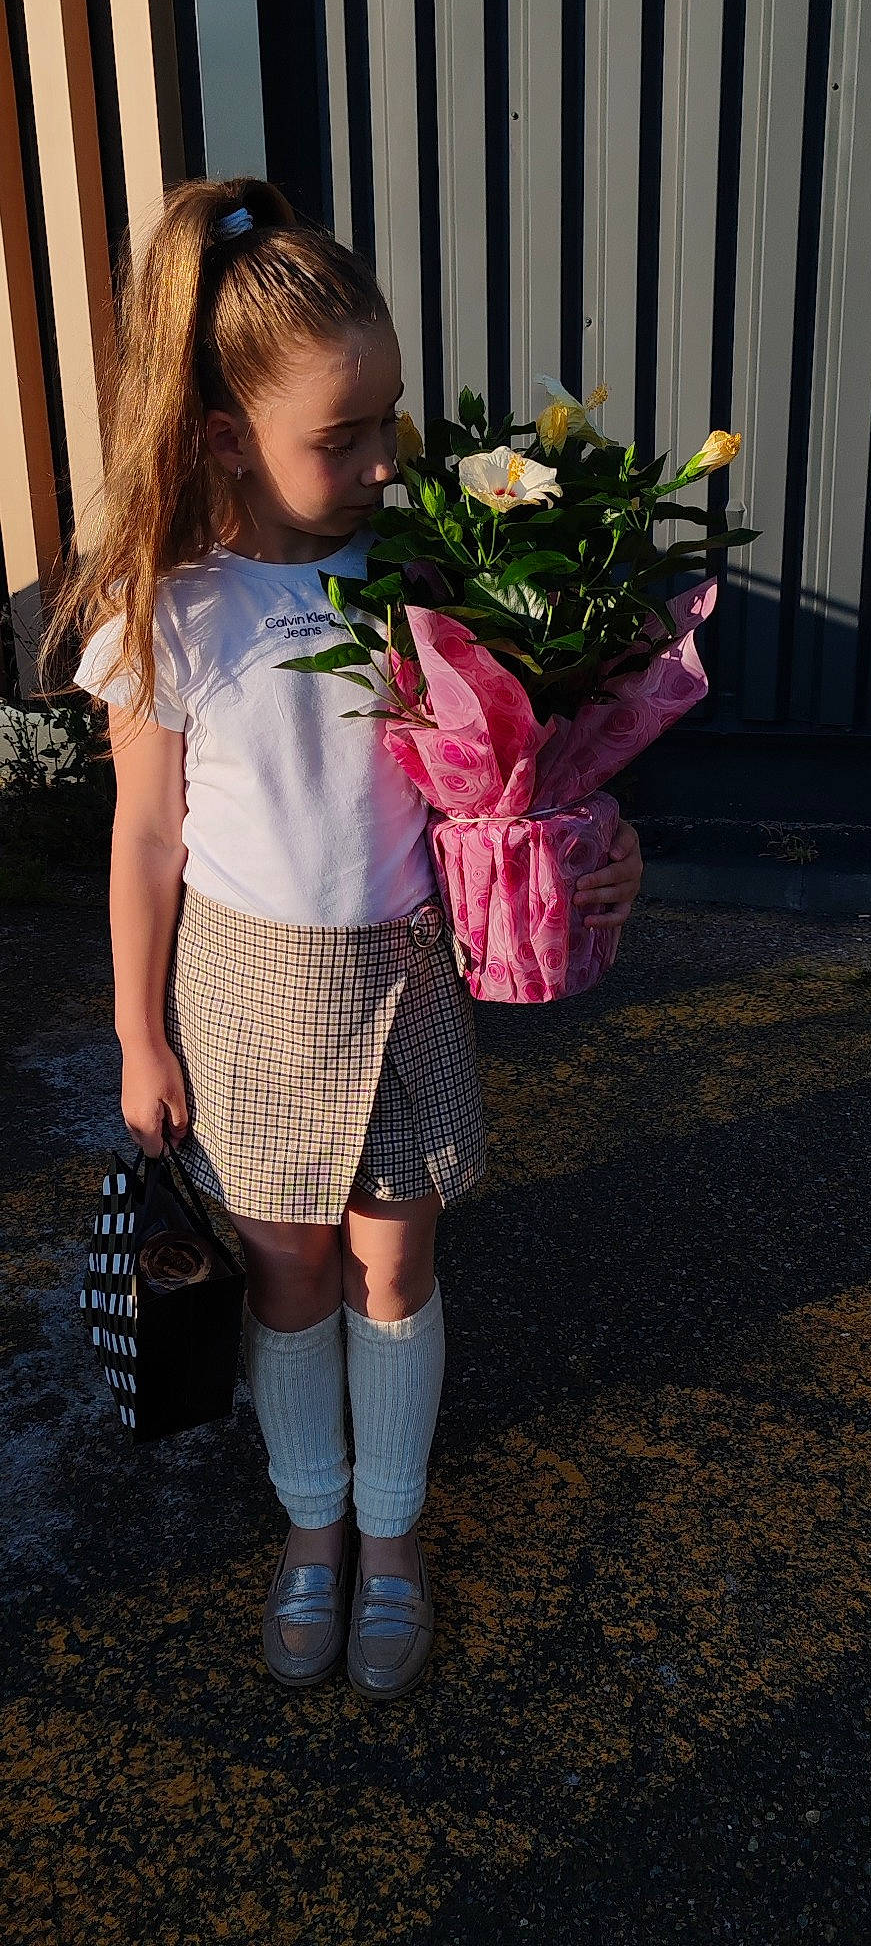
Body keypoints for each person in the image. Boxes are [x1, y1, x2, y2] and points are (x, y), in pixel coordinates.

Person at [43, 178, 644, 1702]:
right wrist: (137, 1032)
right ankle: (309, 1525)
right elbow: (149, 837)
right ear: (229, 433)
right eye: (346, 436)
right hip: (246, 995)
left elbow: (517, 772)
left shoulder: (426, 577)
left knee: (394, 1265)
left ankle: (392, 1534)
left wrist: (594, 846)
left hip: (404, 977)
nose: (387, 460)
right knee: (289, 1278)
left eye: (391, 423)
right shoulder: (170, 612)